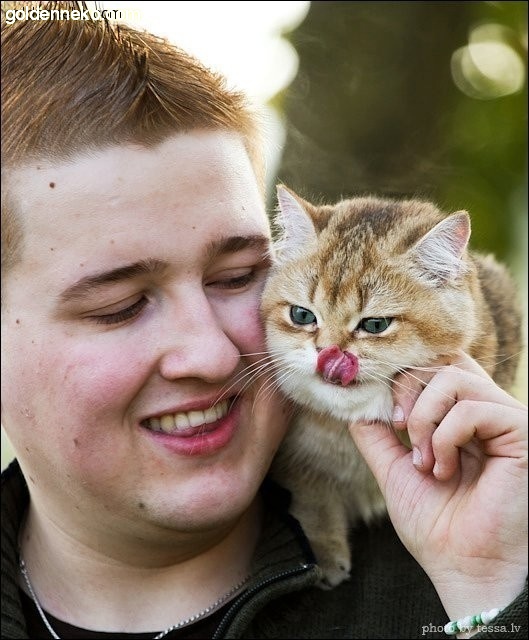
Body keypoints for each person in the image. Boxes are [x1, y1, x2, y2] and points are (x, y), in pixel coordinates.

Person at [1, 3, 527, 639]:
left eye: (237, 278)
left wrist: (495, 598)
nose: (215, 356)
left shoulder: (470, 567)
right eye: (121, 305)